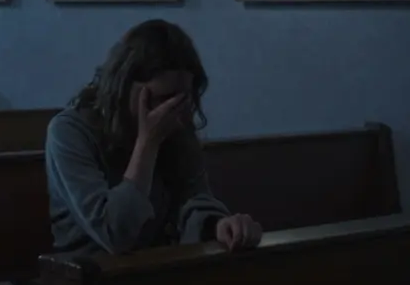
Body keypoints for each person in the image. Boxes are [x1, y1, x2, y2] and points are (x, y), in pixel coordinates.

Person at [45, 19, 262, 255]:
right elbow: (115, 234)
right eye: (164, 97)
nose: (173, 110)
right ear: (125, 86)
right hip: (89, 274)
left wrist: (218, 225)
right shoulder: (69, 131)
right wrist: (148, 144)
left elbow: (193, 197)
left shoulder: (176, 124)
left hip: (155, 267)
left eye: (183, 98)